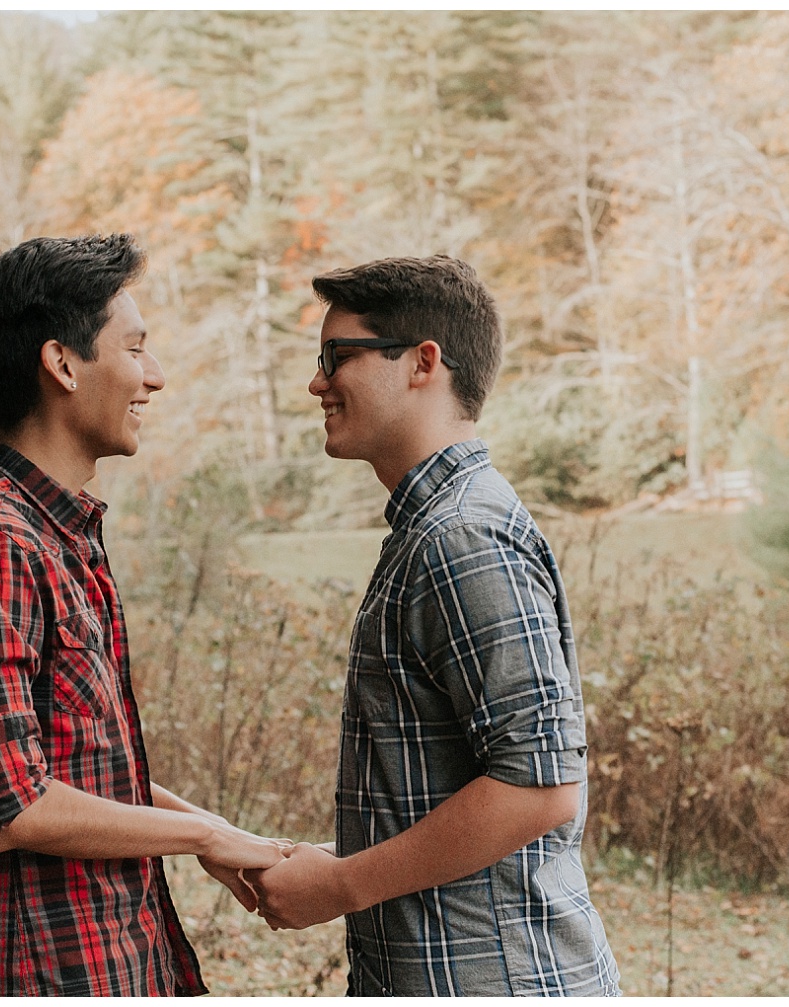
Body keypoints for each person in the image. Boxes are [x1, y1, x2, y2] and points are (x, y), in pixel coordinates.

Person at [0, 234, 288, 996]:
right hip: (37, 969)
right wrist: (201, 833)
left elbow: (80, 766)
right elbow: (12, 804)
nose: (156, 375)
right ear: (63, 364)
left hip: (104, 949)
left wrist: (214, 833)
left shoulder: (56, 531)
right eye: (136, 347)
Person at [246, 255, 621, 996]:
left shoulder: (460, 538)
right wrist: (334, 862)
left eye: (336, 357)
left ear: (423, 362)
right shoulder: (433, 530)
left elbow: (540, 786)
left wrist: (343, 883)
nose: (317, 382)